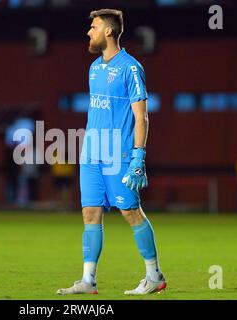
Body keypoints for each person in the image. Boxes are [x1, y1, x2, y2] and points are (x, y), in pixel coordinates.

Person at [57, 9, 166, 295]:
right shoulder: (93, 68)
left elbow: (141, 116)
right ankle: (88, 280)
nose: (88, 32)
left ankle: (154, 276)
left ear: (108, 31)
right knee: (90, 213)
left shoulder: (131, 68)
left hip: (119, 154)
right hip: (92, 153)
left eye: (93, 27)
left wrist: (138, 156)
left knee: (130, 212)